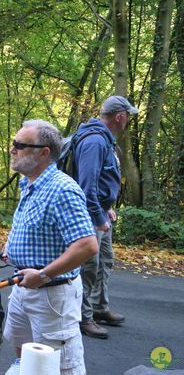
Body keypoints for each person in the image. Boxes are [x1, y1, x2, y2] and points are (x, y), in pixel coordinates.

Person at [3, 120, 98, 375]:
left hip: (51, 294)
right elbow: (38, 227)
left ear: (44, 152)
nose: (13, 149)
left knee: (60, 364)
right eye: (14, 143)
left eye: (21, 145)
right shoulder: (29, 182)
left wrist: (44, 274)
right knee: (24, 353)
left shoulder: (62, 189)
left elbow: (87, 246)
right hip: (23, 287)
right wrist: (11, 248)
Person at [73, 95, 138, 339]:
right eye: (128, 116)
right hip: (90, 216)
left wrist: (106, 207)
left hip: (101, 212)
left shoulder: (104, 140)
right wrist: (99, 216)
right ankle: (82, 317)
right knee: (89, 266)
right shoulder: (95, 142)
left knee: (104, 263)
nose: (128, 120)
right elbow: (86, 187)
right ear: (120, 116)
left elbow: (99, 182)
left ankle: (100, 307)